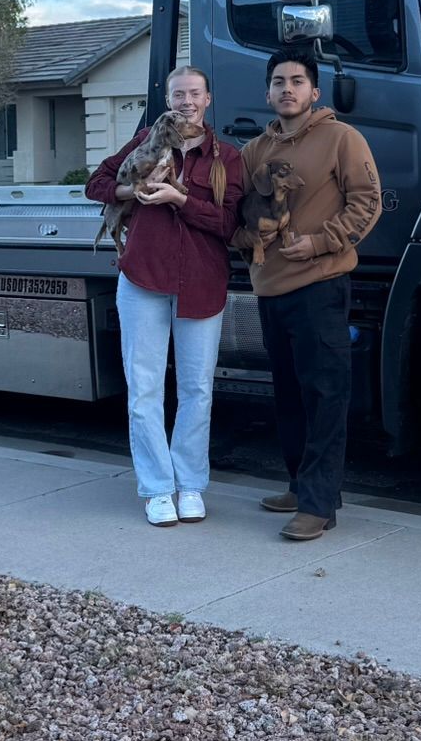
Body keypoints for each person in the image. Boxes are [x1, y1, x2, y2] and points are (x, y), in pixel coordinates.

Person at [85, 66, 244, 527]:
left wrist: (178, 199)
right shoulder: (145, 142)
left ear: (208, 100)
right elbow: (96, 183)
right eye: (179, 94)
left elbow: (228, 225)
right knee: (145, 388)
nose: (186, 101)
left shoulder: (226, 158)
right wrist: (130, 191)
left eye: (195, 93)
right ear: (169, 100)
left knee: (197, 388)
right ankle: (157, 489)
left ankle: (190, 485)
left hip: (200, 279)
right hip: (142, 277)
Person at [236, 48, 382, 541]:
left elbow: (368, 201)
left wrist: (320, 243)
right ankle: (300, 485)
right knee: (289, 395)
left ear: (314, 91)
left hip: (320, 286)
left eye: (297, 81)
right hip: (271, 290)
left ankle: (320, 505)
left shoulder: (342, 138)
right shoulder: (254, 150)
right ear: (268, 92)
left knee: (325, 395)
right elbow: (236, 213)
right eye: (278, 81)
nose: (287, 89)